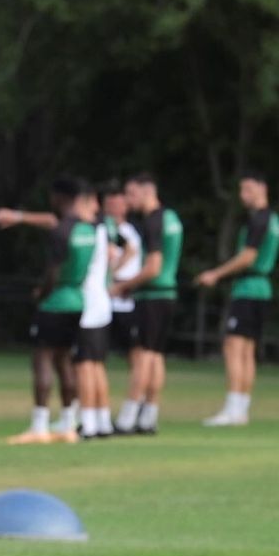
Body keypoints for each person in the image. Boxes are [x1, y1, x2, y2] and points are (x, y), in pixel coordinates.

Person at [0, 179, 96, 444]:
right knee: (66, 363)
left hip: (56, 301)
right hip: (77, 299)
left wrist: (42, 293)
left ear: (60, 197)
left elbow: (53, 271)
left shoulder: (61, 232)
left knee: (42, 360)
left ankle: (39, 426)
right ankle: (67, 425)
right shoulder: (88, 229)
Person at [196, 170, 279, 426]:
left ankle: (233, 409)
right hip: (262, 289)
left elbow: (248, 257)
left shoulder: (259, 220)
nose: (243, 196)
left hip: (248, 288)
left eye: (247, 189)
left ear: (261, 187)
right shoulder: (274, 219)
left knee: (233, 348)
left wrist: (216, 274)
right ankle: (241, 408)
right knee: (246, 351)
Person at [112, 173, 183, 434]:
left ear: (145, 191)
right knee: (155, 356)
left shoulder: (153, 221)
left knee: (142, 356)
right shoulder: (171, 217)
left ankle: (128, 418)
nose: (128, 200)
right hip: (168, 294)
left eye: (131, 194)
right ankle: (148, 417)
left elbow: (153, 267)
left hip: (152, 295)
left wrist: (123, 286)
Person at [101, 184, 144, 433]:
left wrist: (116, 278)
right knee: (93, 360)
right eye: (110, 204)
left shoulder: (131, 232)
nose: (114, 208)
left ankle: (133, 411)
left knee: (137, 358)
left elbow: (133, 255)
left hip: (126, 303)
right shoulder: (102, 229)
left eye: (119, 203)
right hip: (103, 305)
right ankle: (97, 412)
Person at [77, 188, 116, 438]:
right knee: (98, 365)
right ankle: (103, 421)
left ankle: (88, 423)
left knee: (85, 365)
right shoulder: (104, 228)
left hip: (89, 303)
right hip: (102, 301)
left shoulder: (88, 230)